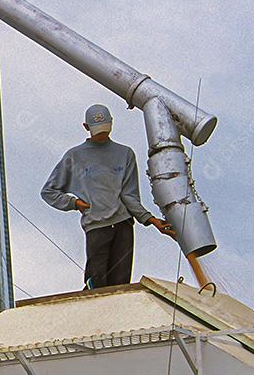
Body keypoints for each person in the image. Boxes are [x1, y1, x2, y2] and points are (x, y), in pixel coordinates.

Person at [41, 104, 176, 289]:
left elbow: (129, 195)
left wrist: (151, 220)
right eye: (97, 130)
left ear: (112, 123)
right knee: (96, 283)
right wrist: (74, 203)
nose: (101, 134)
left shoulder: (125, 153)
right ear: (86, 127)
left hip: (123, 225)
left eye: (105, 129)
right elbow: (49, 191)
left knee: (120, 285)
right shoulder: (74, 156)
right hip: (96, 227)